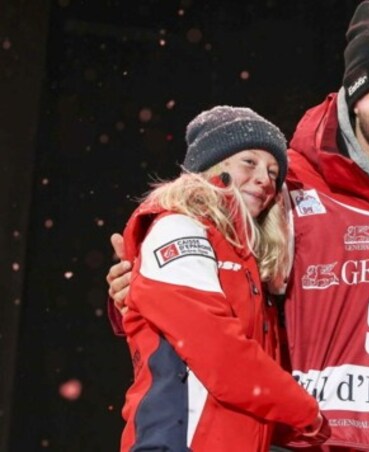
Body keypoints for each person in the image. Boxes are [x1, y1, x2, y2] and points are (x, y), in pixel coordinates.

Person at [108, 2, 369, 451]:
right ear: (355, 98)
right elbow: (226, 283)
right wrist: (138, 287)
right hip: (293, 438)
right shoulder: (292, 182)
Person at [117, 106, 327, 451]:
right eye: (249, 162)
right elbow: (219, 352)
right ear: (213, 165)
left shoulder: (249, 268)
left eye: (274, 173)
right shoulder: (178, 227)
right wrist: (307, 414)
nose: (265, 179)